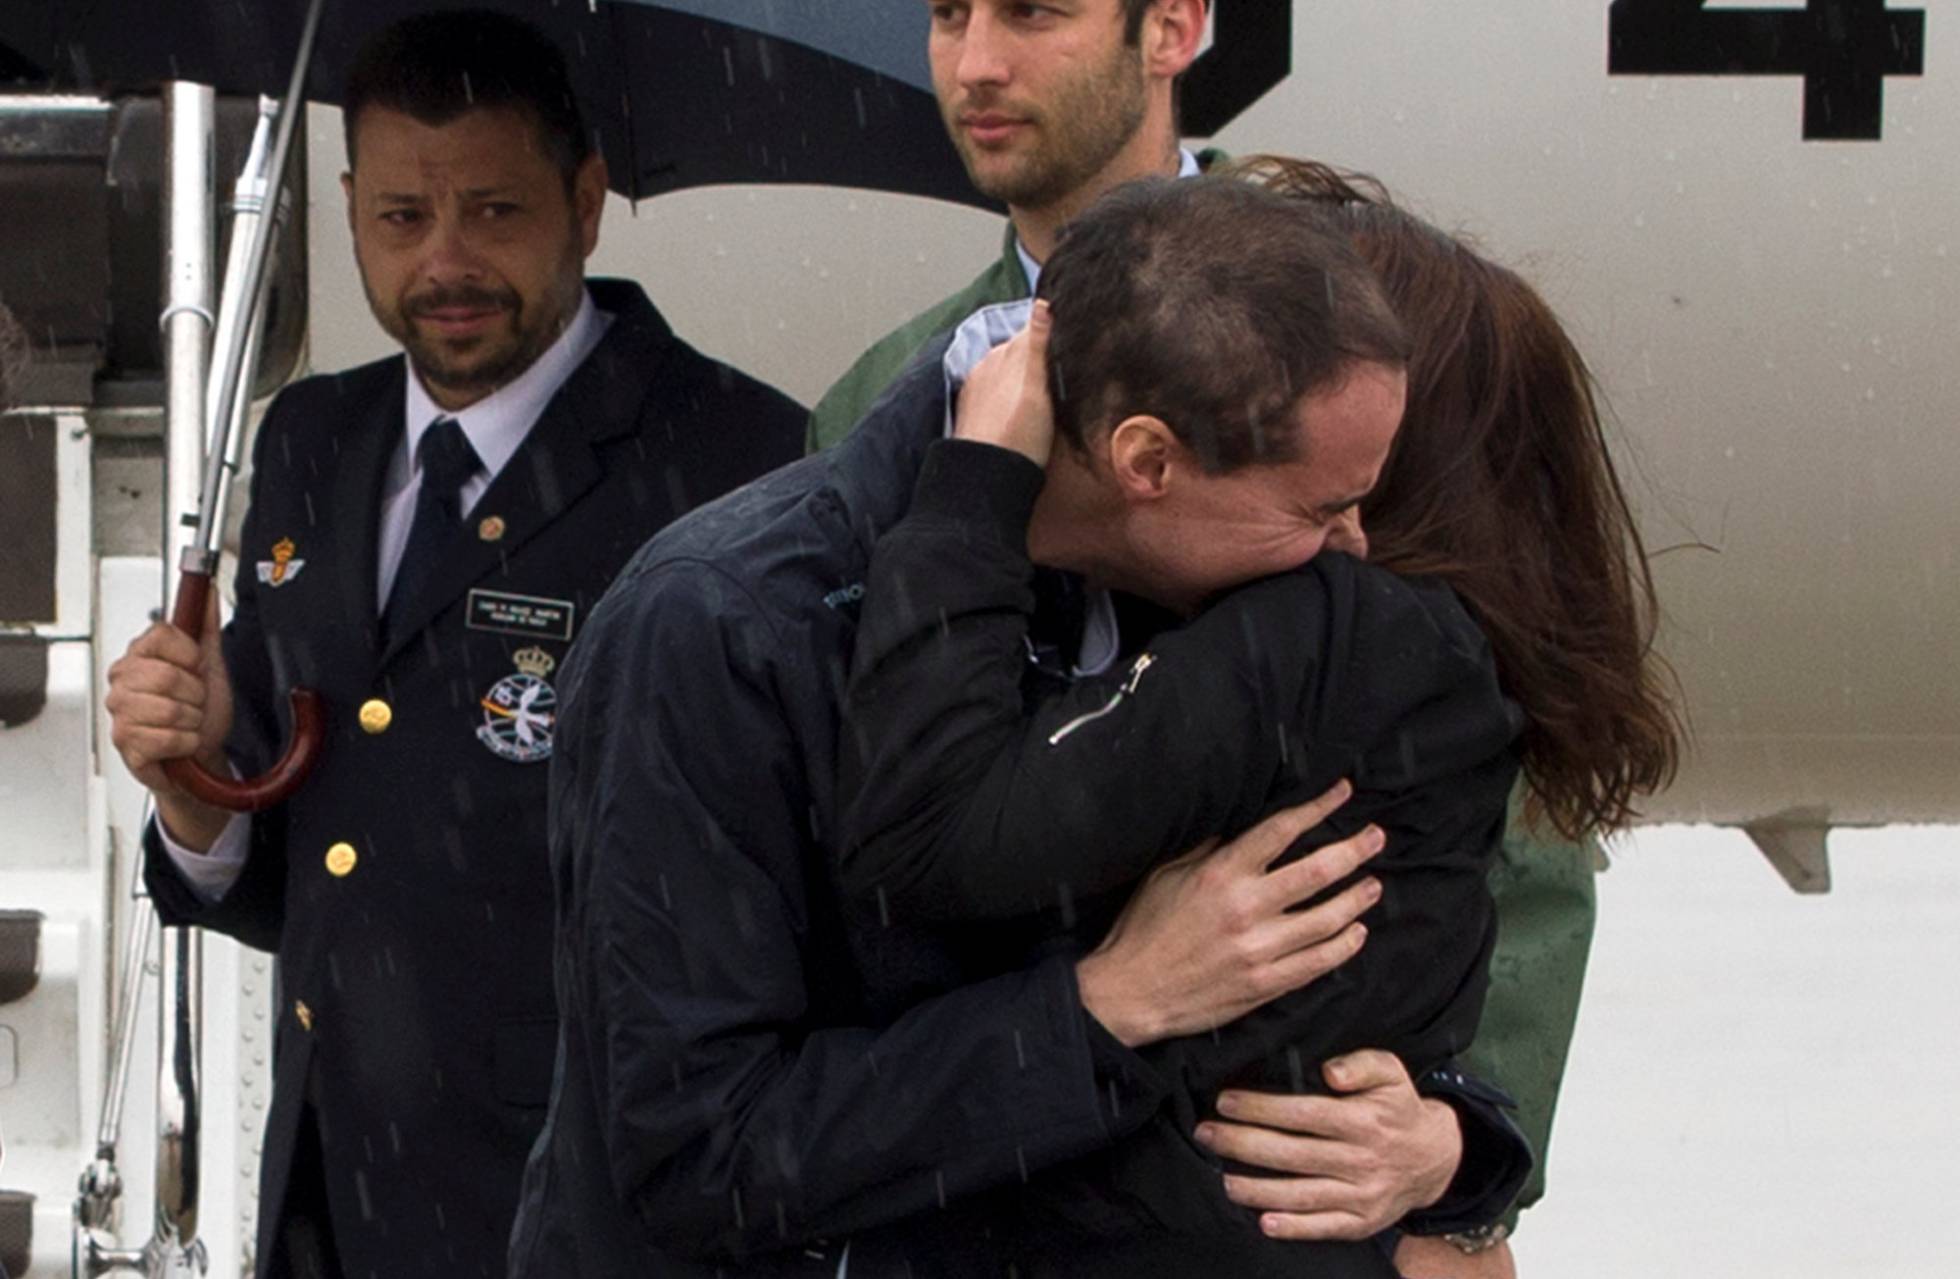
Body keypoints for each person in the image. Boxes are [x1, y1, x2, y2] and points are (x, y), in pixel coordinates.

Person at [512, 176, 1530, 1278]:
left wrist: (1447, 1146)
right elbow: (698, 1156)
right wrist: (1107, 1006)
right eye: (1317, 509)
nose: (1352, 548)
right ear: (1146, 462)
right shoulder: (718, 628)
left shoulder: (1204, 584)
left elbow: (1334, 970)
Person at [809, 1, 1604, 1263]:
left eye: (1033, 10)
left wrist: (1459, 1165)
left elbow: (1500, 833)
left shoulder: (1350, 317)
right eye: (947, 12)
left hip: (1227, 1185)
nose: (978, 61)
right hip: (997, 1160)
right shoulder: (895, 389)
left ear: (1172, 25)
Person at [100, 13, 805, 1279]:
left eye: (493, 211)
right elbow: (308, 860)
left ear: (586, 203)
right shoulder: (313, 440)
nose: (447, 263)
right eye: (402, 218)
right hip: (329, 1188)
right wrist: (191, 787)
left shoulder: (735, 457)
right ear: (353, 207)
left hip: (582, 1203)